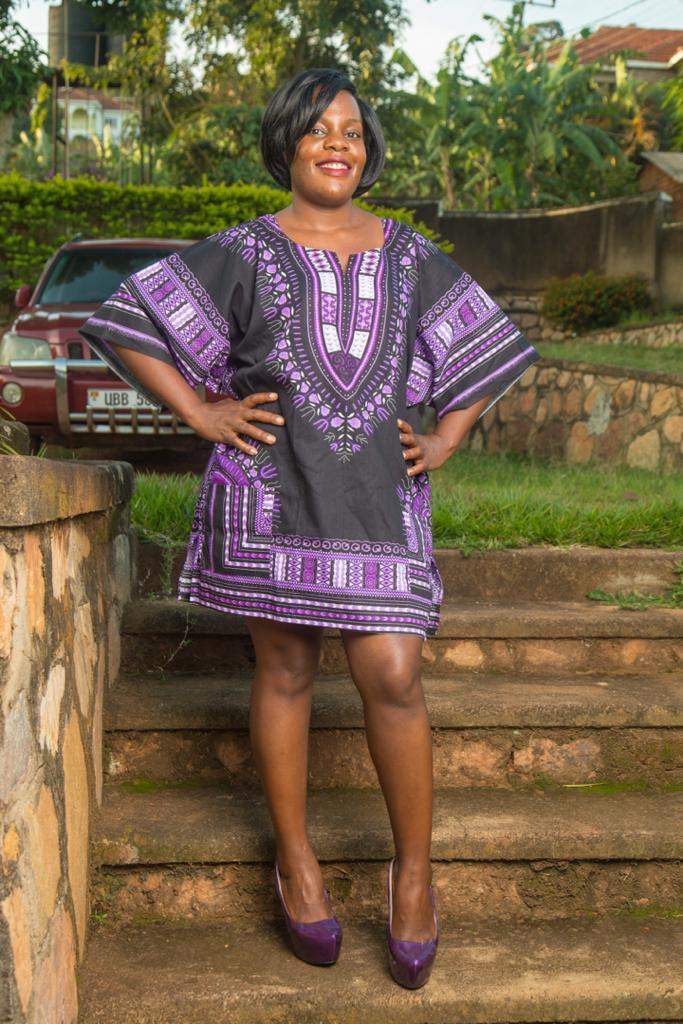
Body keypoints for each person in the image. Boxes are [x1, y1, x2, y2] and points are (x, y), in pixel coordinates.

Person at [79, 66, 540, 989]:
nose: (340, 143)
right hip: (272, 497)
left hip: (378, 500)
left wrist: (446, 437)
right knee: (286, 669)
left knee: (393, 673)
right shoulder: (244, 251)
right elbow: (125, 322)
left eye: (355, 133)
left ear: (367, 155)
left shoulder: (409, 257)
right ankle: (296, 863)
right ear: (287, 142)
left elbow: (484, 344)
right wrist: (203, 415)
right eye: (321, 128)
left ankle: (413, 876)